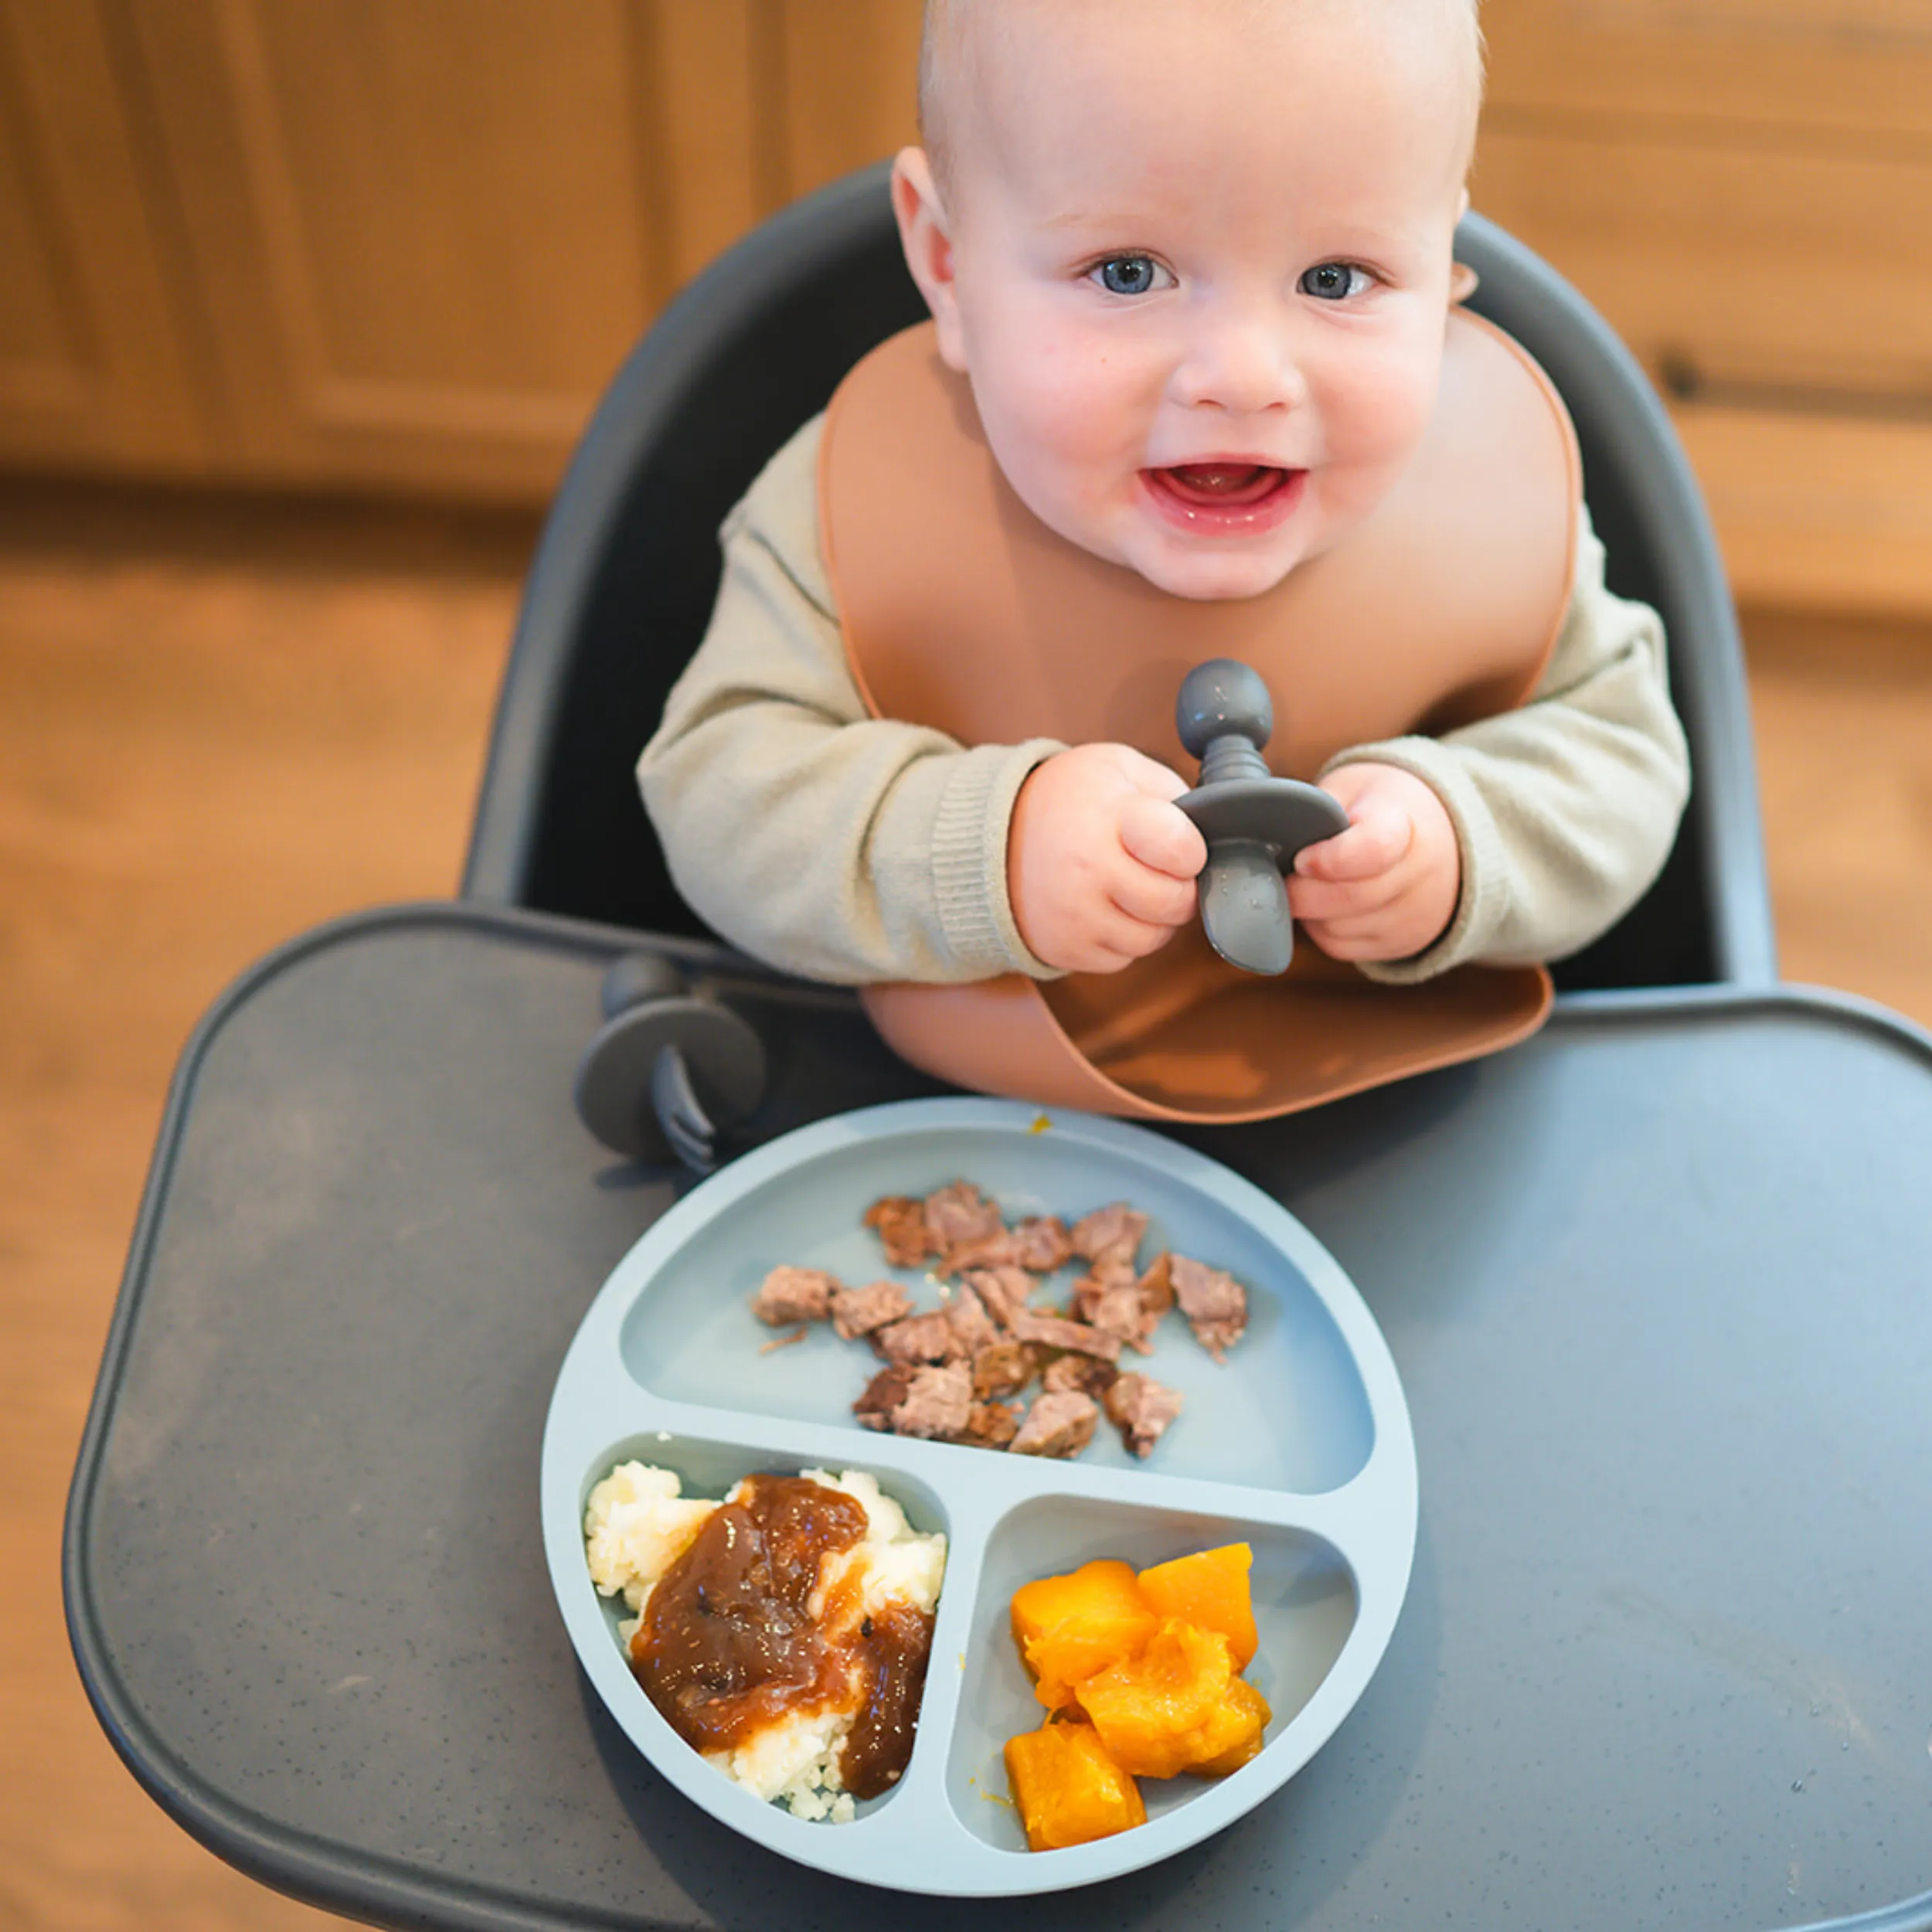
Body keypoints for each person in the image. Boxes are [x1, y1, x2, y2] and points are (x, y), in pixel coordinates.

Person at [638, 0, 1686, 1046]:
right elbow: (721, 801)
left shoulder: (1492, 493)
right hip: (950, 1124)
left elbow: (1626, 762)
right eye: (1127, 272)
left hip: (1413, 1120)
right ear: (949, 262)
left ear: (1444, 261)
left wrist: (1465, 841)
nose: (1242, 377)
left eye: (1335, 278)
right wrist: (982, 850)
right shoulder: (856, 502)